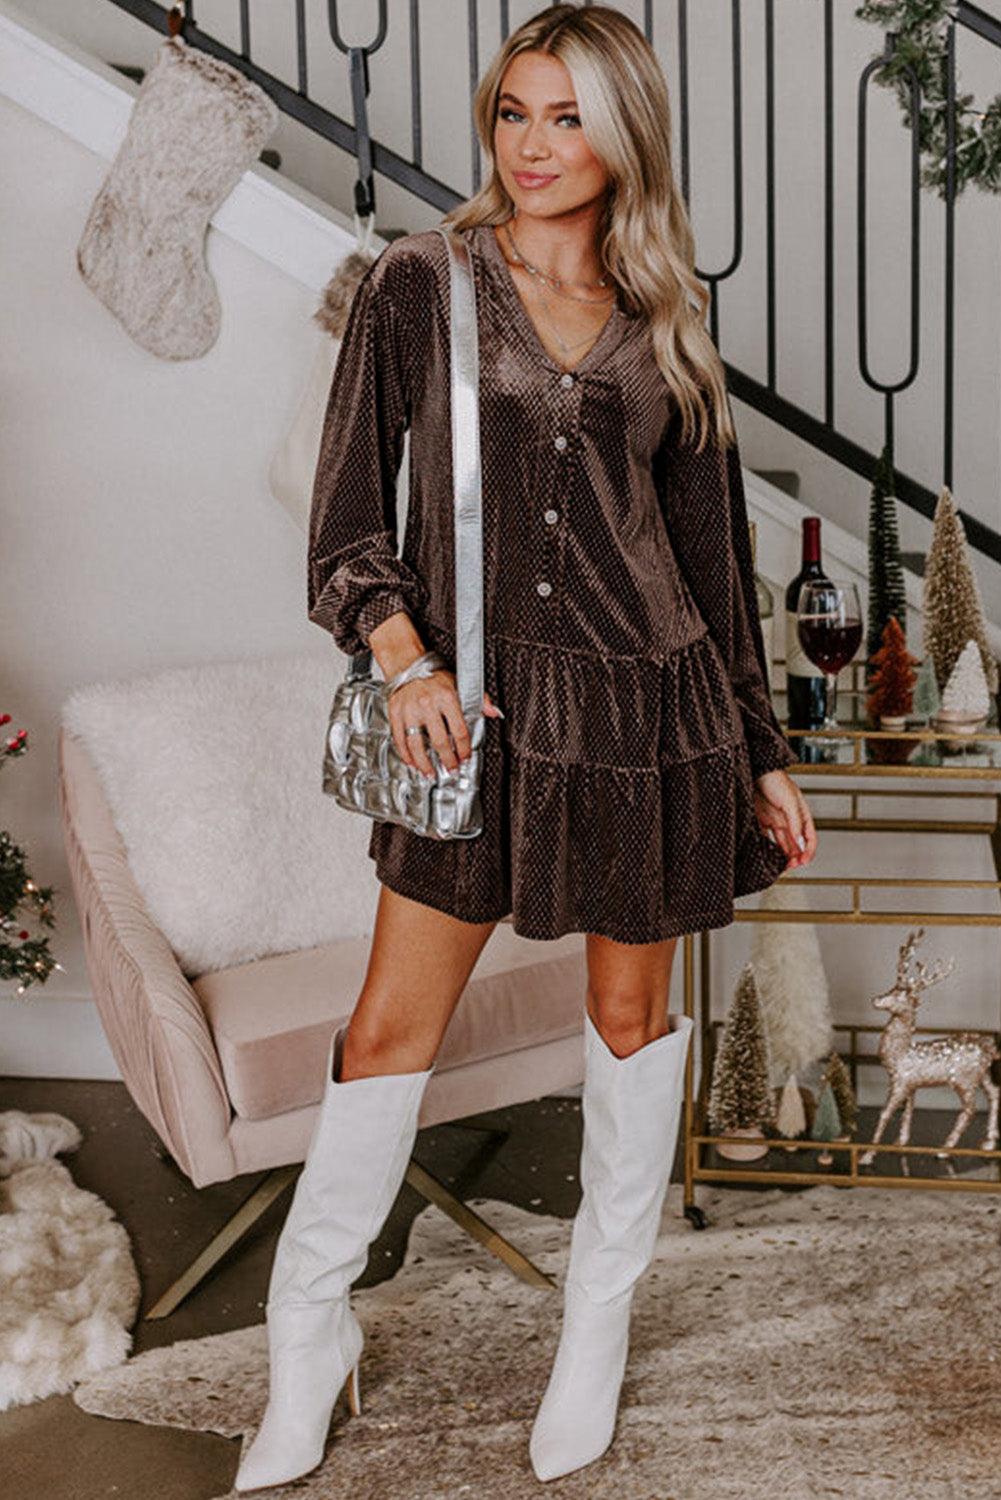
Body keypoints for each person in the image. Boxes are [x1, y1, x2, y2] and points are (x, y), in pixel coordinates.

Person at [235, 3, 818, 1491]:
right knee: (387, 1036)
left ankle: (593, 1332)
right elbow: (344, 517)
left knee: (626, 1029)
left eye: (568, 118)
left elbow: (706, 557)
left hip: (649, 721)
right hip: (477, 721)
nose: (535, 145)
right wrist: (401, 654)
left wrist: (758, 750)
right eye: (514, 112)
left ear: (623, 135)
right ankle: (308, 1337)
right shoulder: (420, 282)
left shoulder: (666, 310)